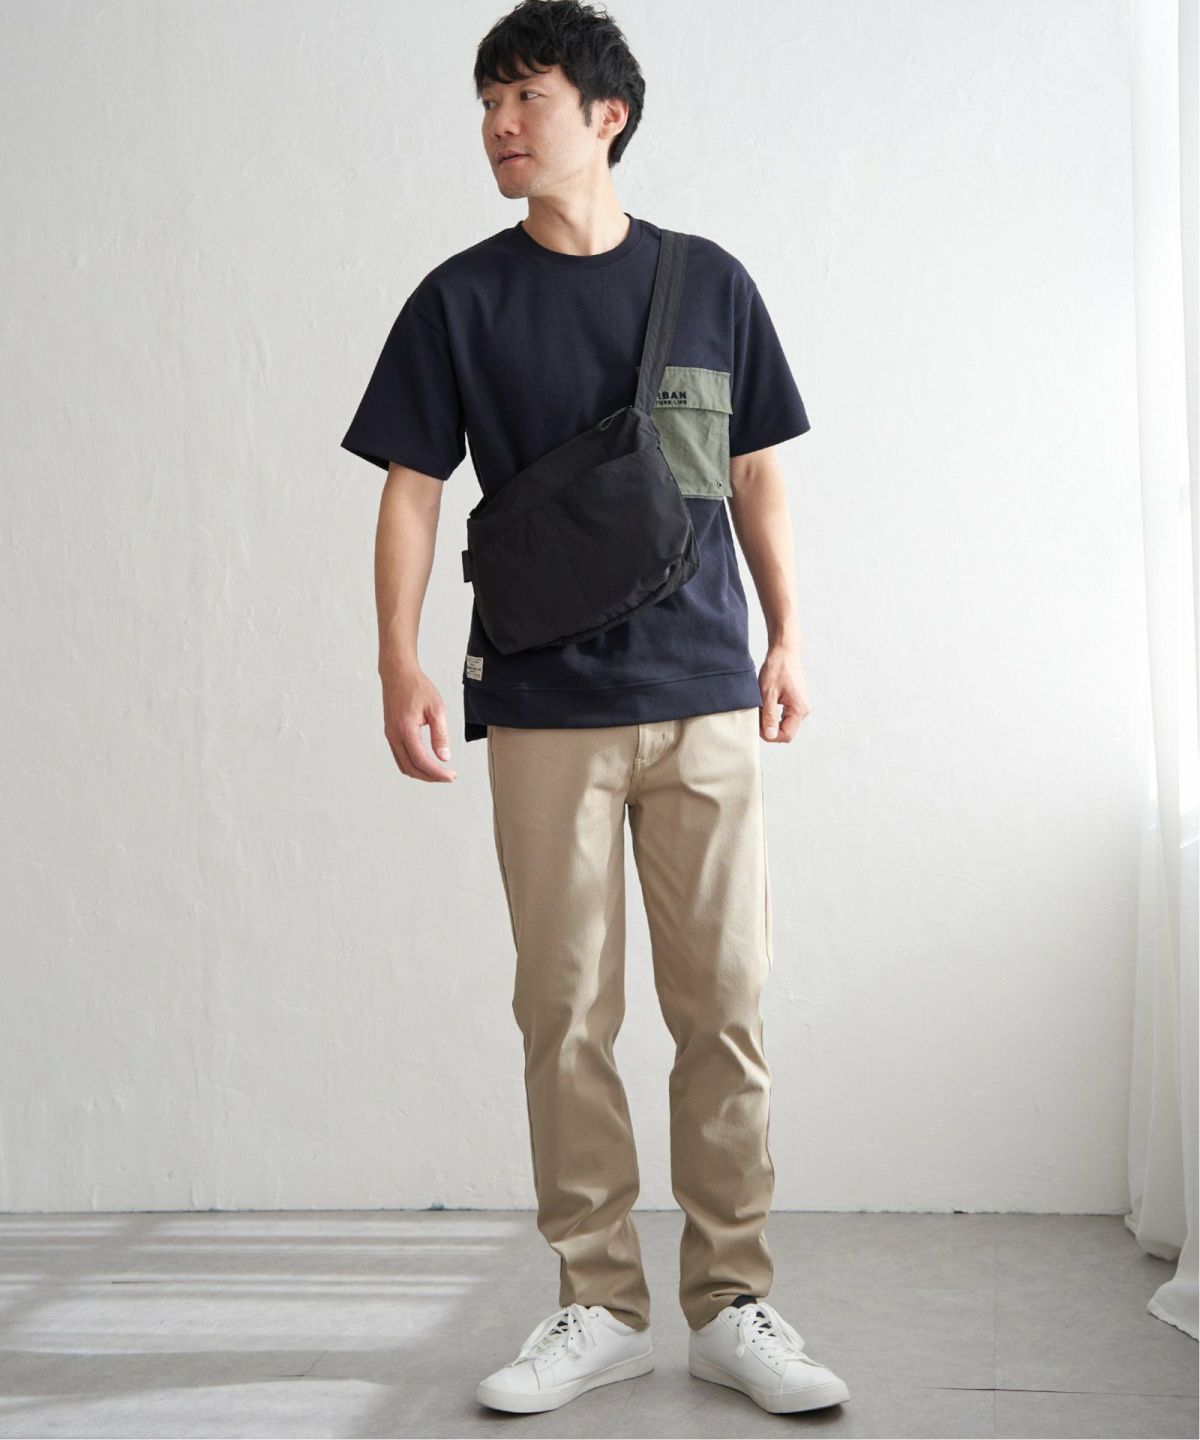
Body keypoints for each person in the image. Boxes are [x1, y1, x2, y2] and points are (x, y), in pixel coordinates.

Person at [340, 0, 849, 1418]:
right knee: (564, 1012)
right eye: (487, 102)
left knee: (724, 1007)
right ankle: (599, 1304)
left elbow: (756, 473)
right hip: (545, 702)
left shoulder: (710, 283)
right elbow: (411, 490)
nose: (499, 125)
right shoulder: (460, 300)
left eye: (526, 96)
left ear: (604, 114)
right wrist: (397, 661)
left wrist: (791, 636)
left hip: (704, 698)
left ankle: (733, 1303)